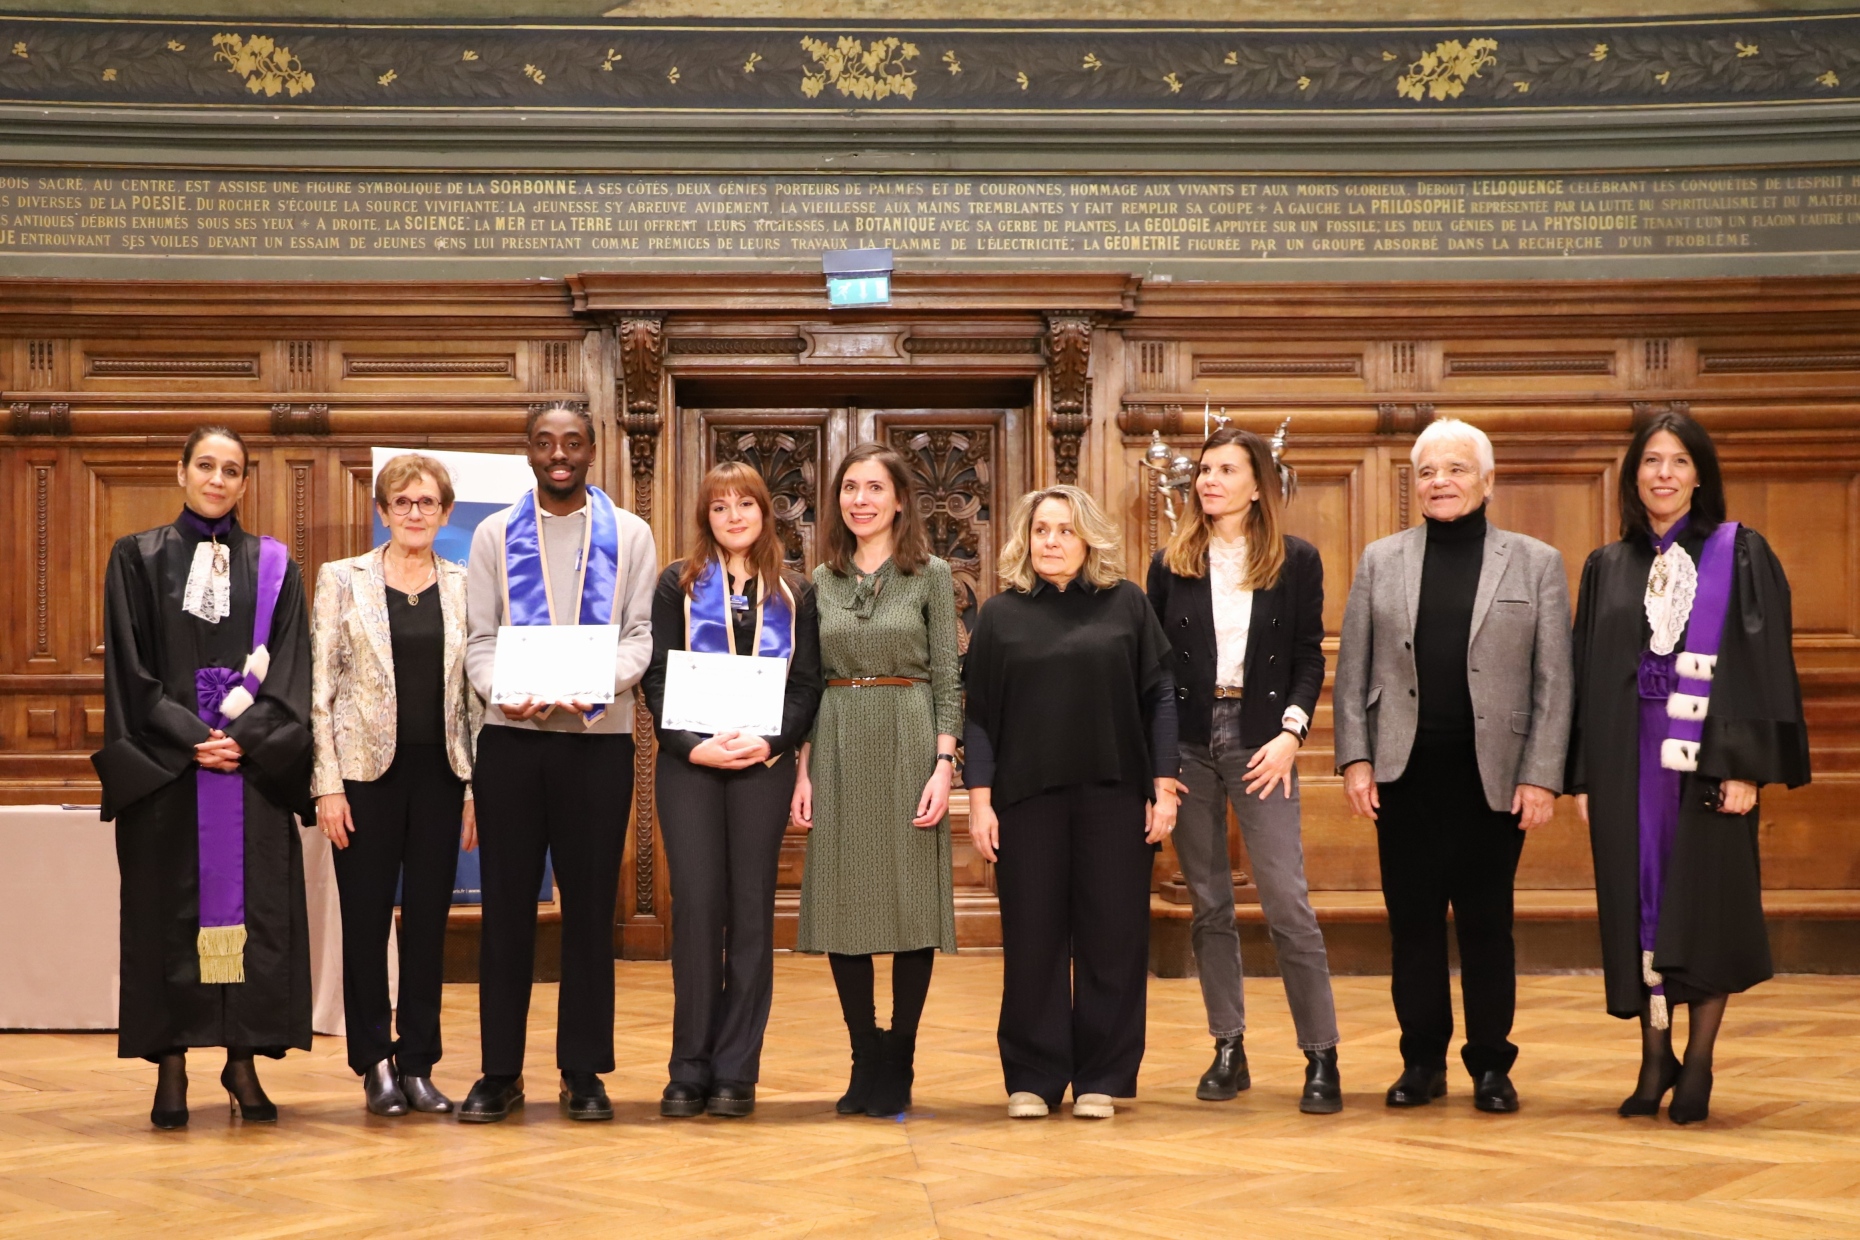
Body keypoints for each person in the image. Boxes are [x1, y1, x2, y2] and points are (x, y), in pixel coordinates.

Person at [1570, 410, 1809, 1124]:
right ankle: (1654, 1058)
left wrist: (1743, 768)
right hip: (1626, 765)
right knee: (1639, 906)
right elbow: (1587, 674)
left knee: (1705, 907)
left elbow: (1760, 667)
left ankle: (1699, 1060)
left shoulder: (1739, 554)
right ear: (1633, 475)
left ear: (1700, 472)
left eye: (1677, 460)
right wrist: (1583, 775)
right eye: (1650, 461)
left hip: (1708, 764)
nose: (1663, 474)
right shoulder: (1607, 565)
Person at [1333, 418, 1572, 1114]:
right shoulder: (1382, 559)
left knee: (1486, 926)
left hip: (1493, 779)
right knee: (1411, 925)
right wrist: (1355, 757)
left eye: (1457, 469)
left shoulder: (1535, 562)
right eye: (1429, 472)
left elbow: (1555, 681)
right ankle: (1422, 1062)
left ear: (1487, 480)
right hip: (1403, 776)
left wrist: (1542, 774)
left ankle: (1491, 1067)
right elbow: (1351, 672)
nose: (1441, 482)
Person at [93, 425, 314, 1129]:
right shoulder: (136, 557)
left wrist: (242, 741)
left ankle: (242, 1059)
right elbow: (131, 670)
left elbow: (290, 667)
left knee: (254, 917)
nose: (218, 480)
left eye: (232, 470)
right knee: (169, 916)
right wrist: (192, 740)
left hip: (250, 775)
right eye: (206, 466)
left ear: (246, 483)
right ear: (181, 471)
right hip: (167, 775)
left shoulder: (275, 567)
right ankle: (171, 1065)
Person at [460, 404, 655, 1123]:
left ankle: (582, 1070)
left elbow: (639, 638)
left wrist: (594, 684)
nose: (559, 454)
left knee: (587, 914)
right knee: (506, 910)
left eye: (572, 442)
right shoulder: (492, 535)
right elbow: (480, 642)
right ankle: (499, 1072)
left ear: (593, 449)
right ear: (529, 452)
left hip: (596, 746)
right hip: (511, 743)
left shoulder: (630, 535)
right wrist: (508, 692)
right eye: (545, 443)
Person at [966, 485, 1180, 1120]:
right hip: (1025, 801)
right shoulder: (1000, 615)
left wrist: (1163, 786)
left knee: (1112, 939)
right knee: (1031, 939)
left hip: (1116, 796)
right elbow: (978, 716)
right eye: (1040, 531)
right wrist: (979, 801)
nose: (1051, 542)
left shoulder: (1128, 605)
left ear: (1088, 539)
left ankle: (1102, 1076)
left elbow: (1160, 697)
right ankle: (1033, 1075)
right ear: (1025, 542)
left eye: (1063, 530)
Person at [1146, 427, 1341, 1114]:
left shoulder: (1296, 561)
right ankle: (1228, 1047)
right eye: (1204, 469)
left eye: (1226, 470)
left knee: (1287, 901)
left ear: (1258, 484)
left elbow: (1309, 657)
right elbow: (1158, 669)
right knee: (1209, 904)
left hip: (1263, 742)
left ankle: (1321, 1055)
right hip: (1191, 743)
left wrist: (1292, 733)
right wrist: (1161, 759)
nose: (1210, 481)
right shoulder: (1170, 563)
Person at [641, 462, 822, 1119]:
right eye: (720, 507)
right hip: (690, 765)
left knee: (750, 911)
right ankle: (688, 1066)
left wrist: (771, 744)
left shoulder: (795, 592)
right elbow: (655, 678)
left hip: (760, 768)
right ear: (706, 518)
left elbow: (806, 685)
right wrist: (694, 744)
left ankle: (736, 1068)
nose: (735, 516)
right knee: (695, 909)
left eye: (746, 504)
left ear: (765, 512)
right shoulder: (677, 584)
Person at [791, 443, 960, 1120]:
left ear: (898, 499)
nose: (859, 499)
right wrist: (801, 769)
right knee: (843, 906)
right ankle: (865, 1055)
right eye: (849, 488)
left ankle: (902, 1056)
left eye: (873, 488)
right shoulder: (819, 580)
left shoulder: (933, 574)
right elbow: (806, 681)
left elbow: (948, 677)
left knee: (911, 902)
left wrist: (945, 767)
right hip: (835, 737)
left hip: (911, 736)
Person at [311, 454, 479, 1117]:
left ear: (445, 513)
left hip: (440, 779)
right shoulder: (341, 580)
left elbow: (472, 698)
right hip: (361, 782)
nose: (415, 513)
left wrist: (472, 790)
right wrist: (326, 786)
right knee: (364, 922)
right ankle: (374, 1062)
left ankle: (418, 1064)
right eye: (402, 502)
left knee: (431, 927)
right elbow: (317, 690)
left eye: (427, 503)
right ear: (382, 511)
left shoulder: (466, 584)